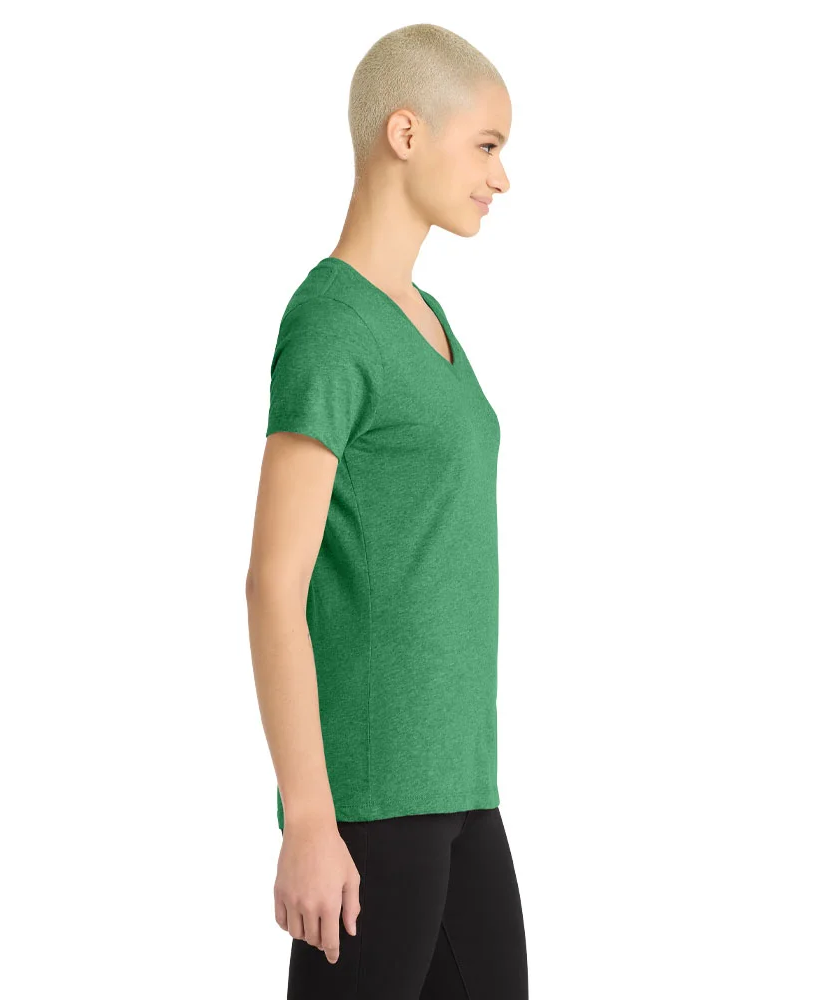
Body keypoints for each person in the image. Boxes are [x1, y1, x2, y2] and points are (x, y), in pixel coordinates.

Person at [246, 23, 526, 999]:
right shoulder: (332, 321)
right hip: (370, 804)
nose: (500, 177)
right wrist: (308, 820)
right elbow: (273, 583)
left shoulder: (429, 318)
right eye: (486, 145)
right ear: (405, 133)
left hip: (463, 789)